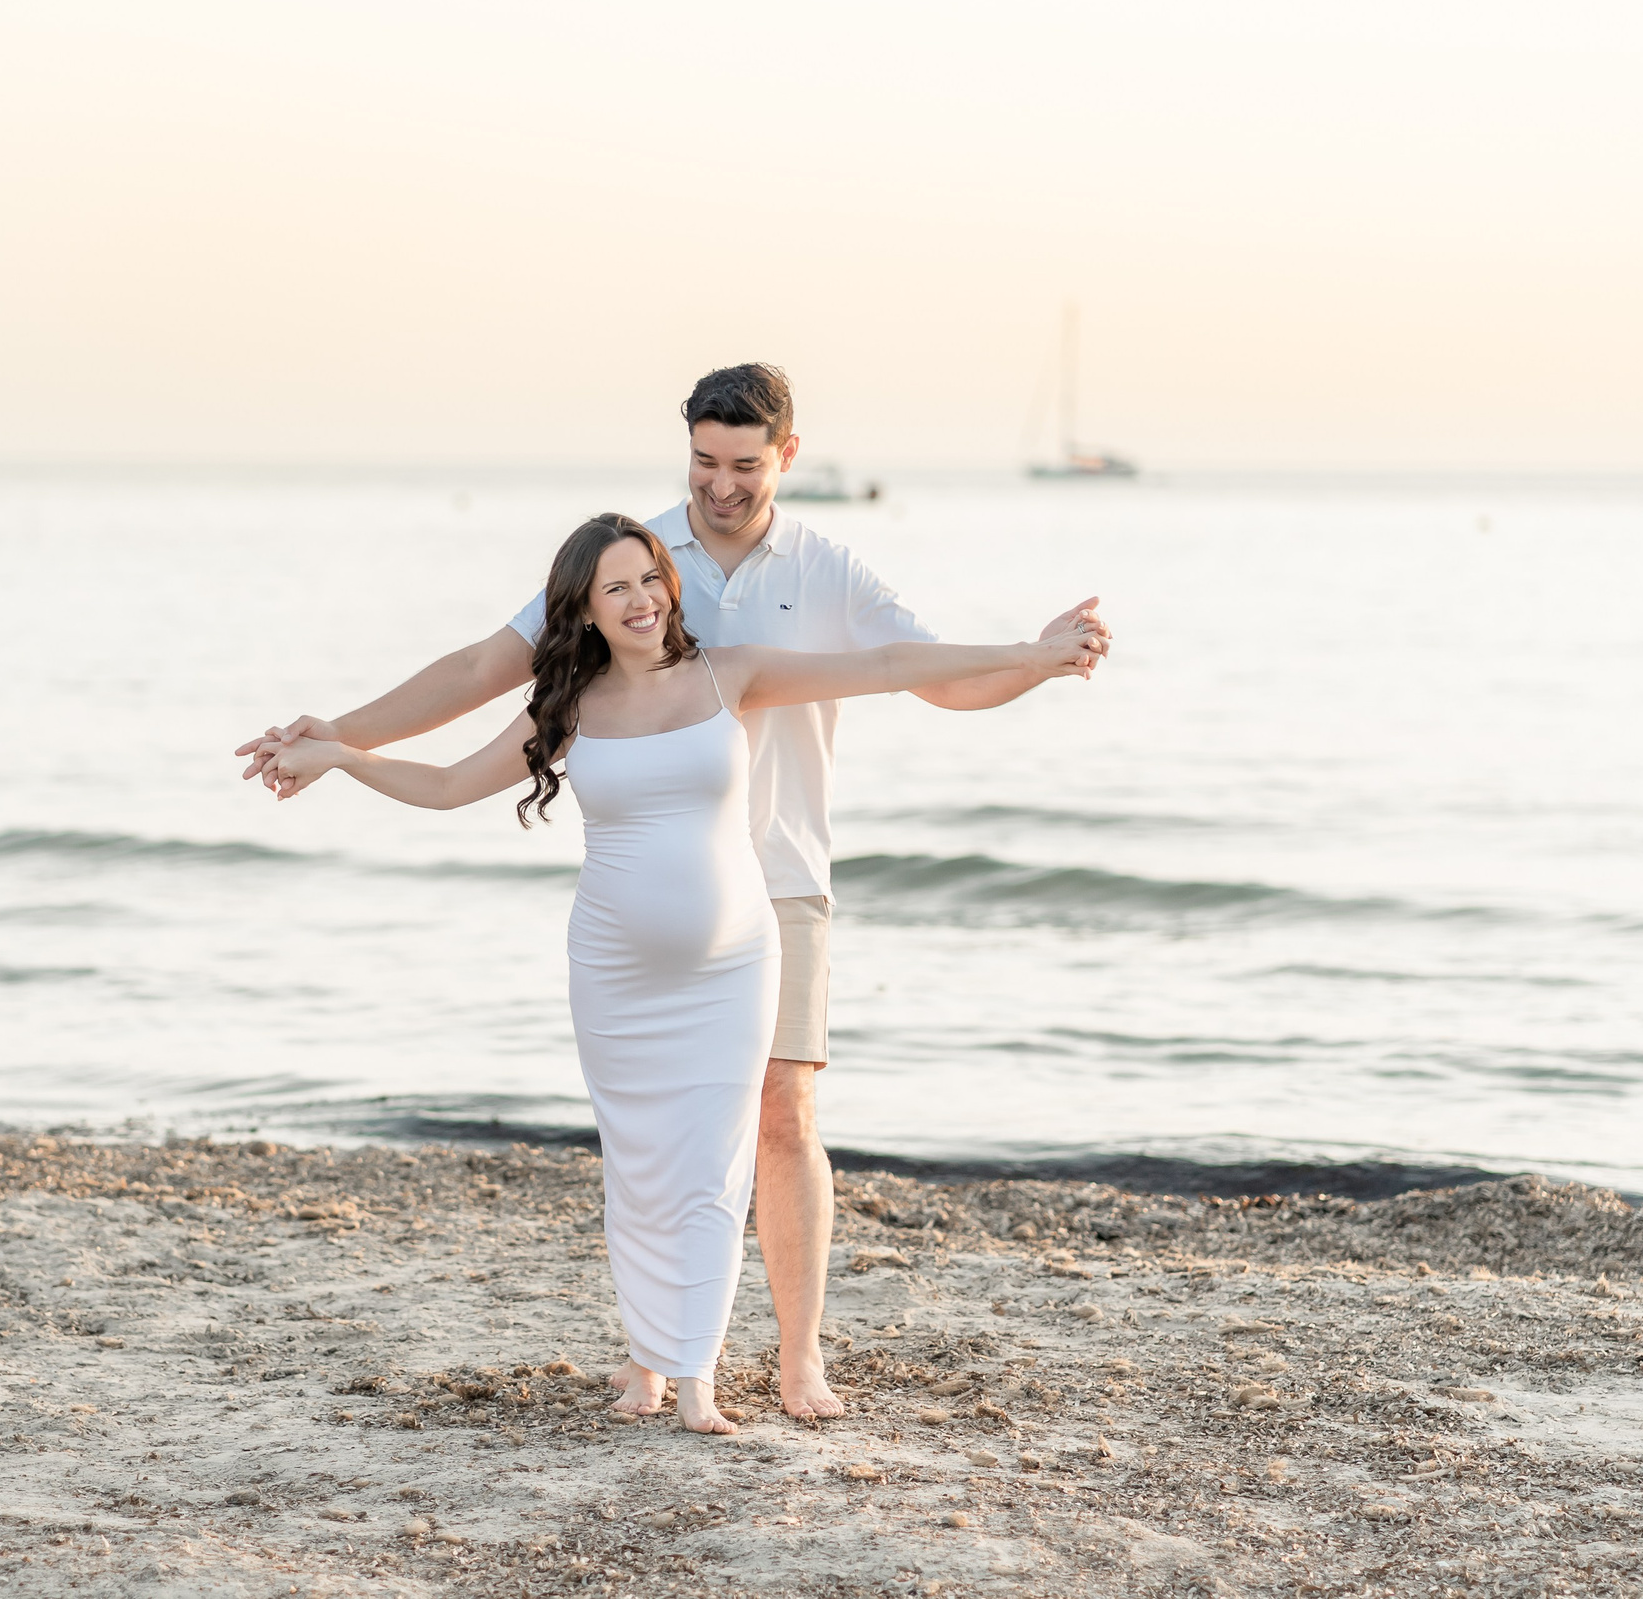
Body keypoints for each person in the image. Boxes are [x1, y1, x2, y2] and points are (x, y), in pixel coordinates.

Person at [238, 363, 1108, 1417]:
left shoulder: (824, 568)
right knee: (649, 1127)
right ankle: (657, 1355)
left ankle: (795, 1360)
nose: (721, 485)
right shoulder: (636, 554)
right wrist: (336, 737)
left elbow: (919, 672)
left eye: (744, 465)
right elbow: (483, 673)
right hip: (648, 892)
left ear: (786, 455)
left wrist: (1036, 657)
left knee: (780, 1113)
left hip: (778, 876)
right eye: (703, 461)